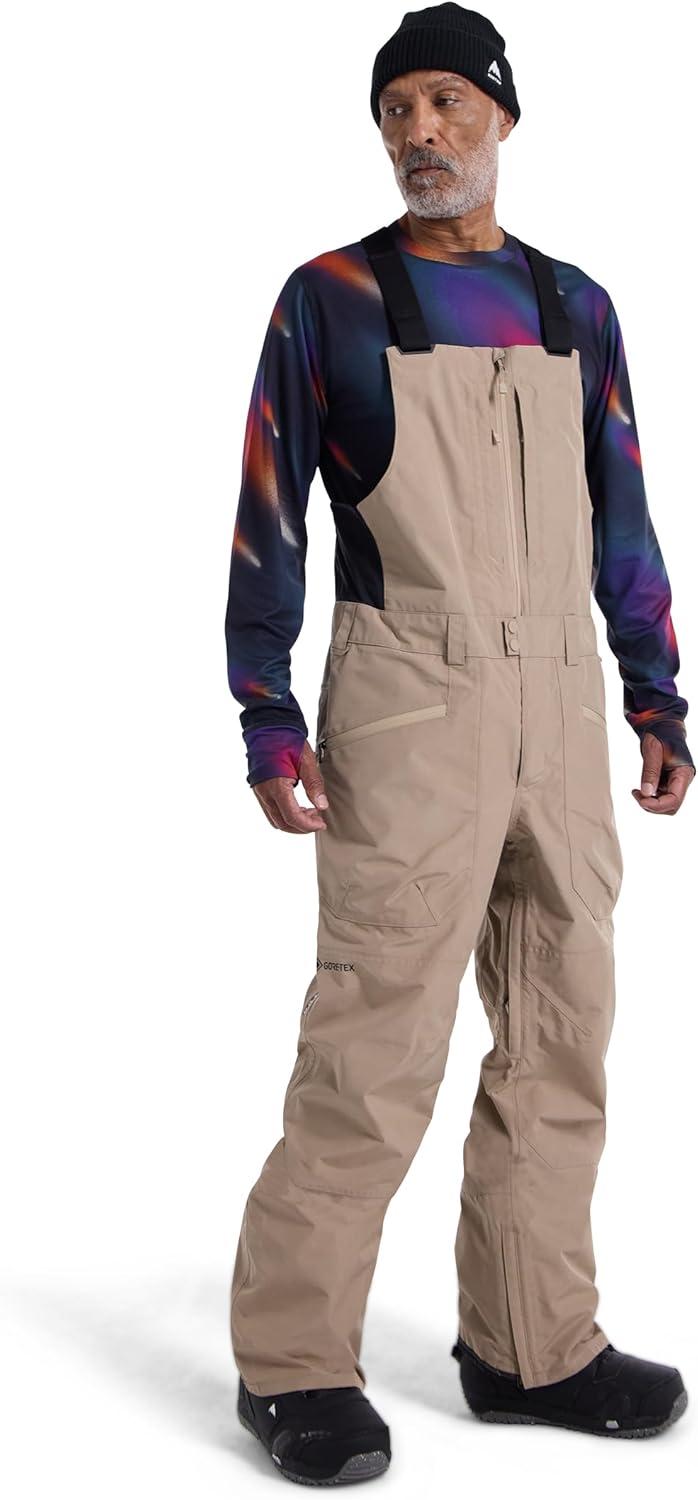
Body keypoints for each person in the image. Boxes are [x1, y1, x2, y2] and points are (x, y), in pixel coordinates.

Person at [225, 5, 694, 1482]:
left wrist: (655, 692)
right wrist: (266, 712)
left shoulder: (575, 306)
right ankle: (293, 1364)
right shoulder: (329, 298)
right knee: (375, 1042)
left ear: (502, 116)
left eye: (445, 101)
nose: (419, 132)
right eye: (396, 110)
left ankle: (529, 1346)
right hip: (408, 702)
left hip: (561, 704)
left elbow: (623, 514)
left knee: (562, 1035)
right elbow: (268, 512)